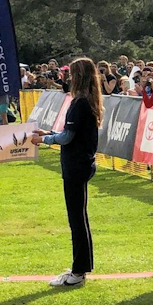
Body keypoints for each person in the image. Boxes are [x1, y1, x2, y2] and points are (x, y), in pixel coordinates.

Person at [32, 57, 103, 287]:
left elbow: (67, 137)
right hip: (78, 164)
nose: (67, 78)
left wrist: (43, 139)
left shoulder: (81, 103)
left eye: (71, 74)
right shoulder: (85, 101)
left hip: (77, 166)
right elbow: (67, 133)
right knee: (79, 218)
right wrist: (48, 132)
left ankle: (79, 271)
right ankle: (80, 266)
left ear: (78, 76)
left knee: (77, 220)